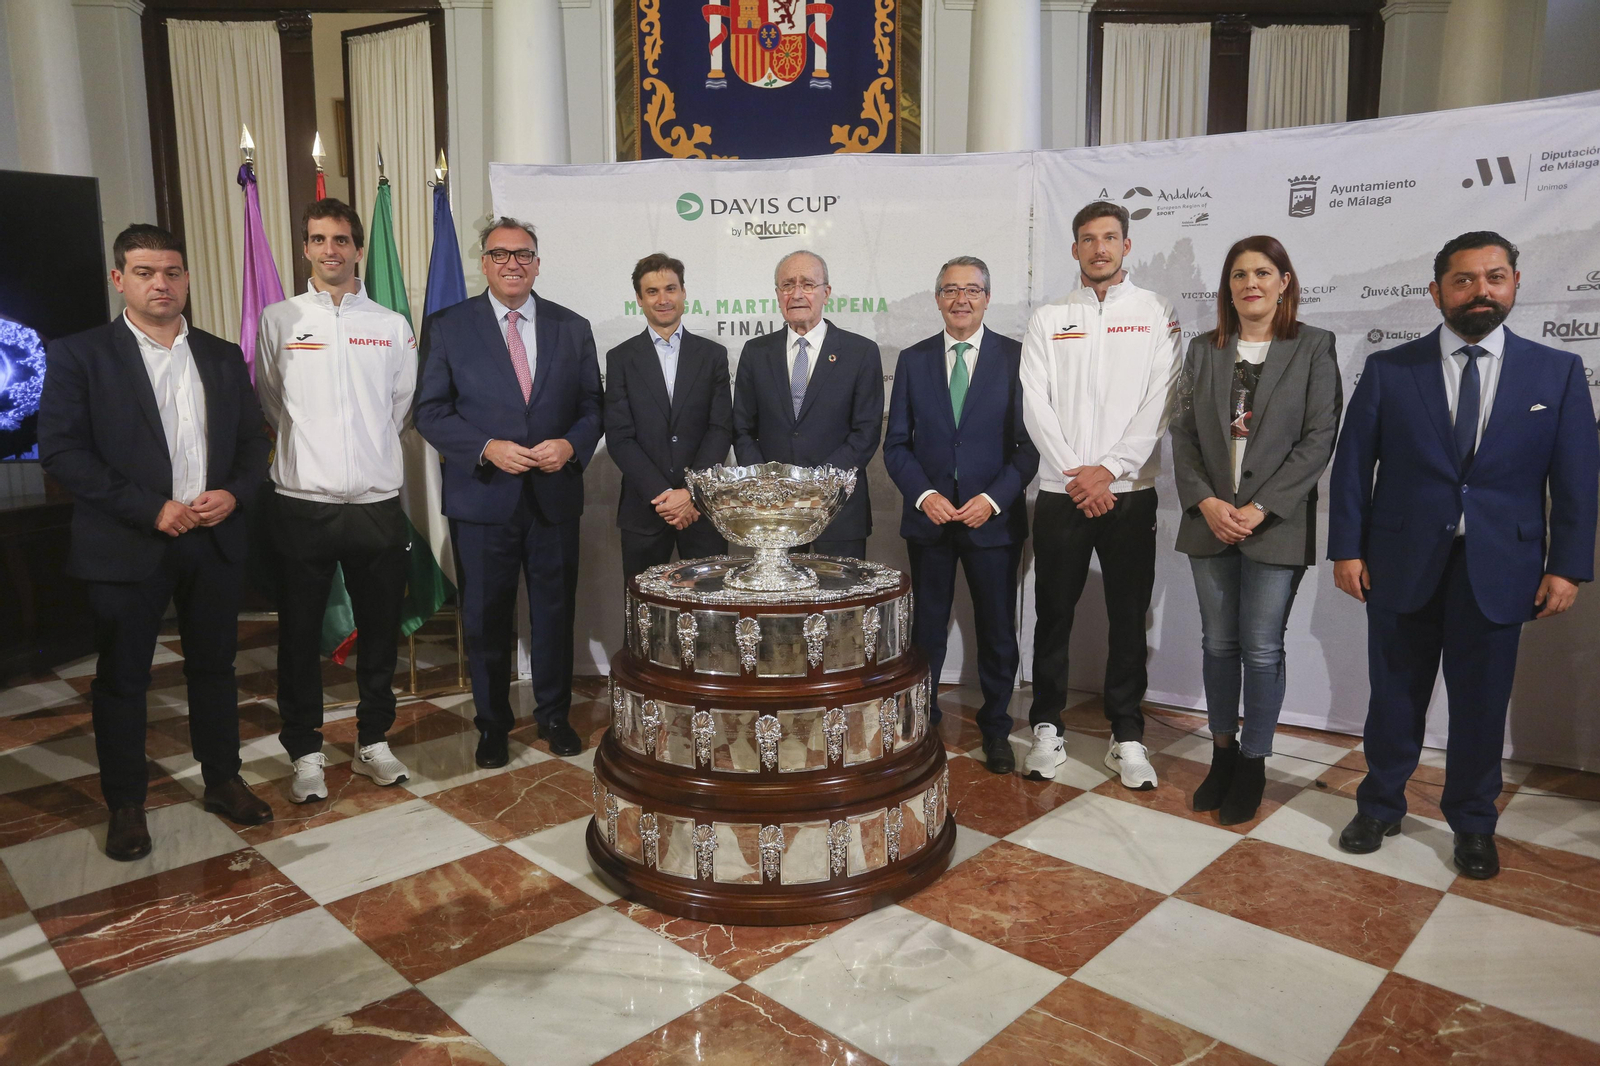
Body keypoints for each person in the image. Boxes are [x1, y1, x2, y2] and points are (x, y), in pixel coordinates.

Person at [1328, 231, 1597, 880]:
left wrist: (1568, 565)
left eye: (1493, 277)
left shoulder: (1554, 373)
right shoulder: (1393, 370)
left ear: (1514, 284)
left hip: (1503, 571)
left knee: (1481, 707)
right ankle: (1380, 805)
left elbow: (1578, 480)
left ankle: (1474, 823)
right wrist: (1345, 550)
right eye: (1464, 280)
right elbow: (1352, 467)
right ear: (1437, 292)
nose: (1480, 290)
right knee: (1393, 699)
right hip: (1399, 564)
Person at [38, 224, 273, 858]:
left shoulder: (223, 356)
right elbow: (62, 452)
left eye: (171, 272)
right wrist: (150, 508)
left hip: (213, 536)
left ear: (187, 279)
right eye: (144, 272)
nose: (160, 283)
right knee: (122, 679)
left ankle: (223, 780)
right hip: (126, 542)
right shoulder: (80, 355)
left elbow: (254, 443)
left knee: (215, 669)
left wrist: (237, 492)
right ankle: (126, 805)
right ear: (120, 279)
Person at [415, 217, 603, 768]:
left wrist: (571, 445)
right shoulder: (449, 325)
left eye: (523, 254)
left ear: (538, 263)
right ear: (484, 263)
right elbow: (429, 411)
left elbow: (594, 404)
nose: (513, 264)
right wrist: (484, 447)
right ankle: (492, 724)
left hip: (553, 497)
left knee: (554, 613)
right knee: (485, 617)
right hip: (482, 497)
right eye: (500, 254)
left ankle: (554, 716)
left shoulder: (572, 326)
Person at [1169, 235, 1342, 824]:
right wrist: (1208, 502)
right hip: (1211, 521)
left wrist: (1262, 506)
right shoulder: (1203, 350)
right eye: (1239, 274)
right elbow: (1184, 436)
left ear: (1284, 281)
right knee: (1219, 644)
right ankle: (1221, 754)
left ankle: (1254, 761)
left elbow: (1320, 438)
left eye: (1263, 273)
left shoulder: (1315, 347)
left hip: (1275, 524)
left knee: (1262, 648)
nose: (1251, 283)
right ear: (1228, 287)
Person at [255, 199, 417, 803]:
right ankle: (304, 751)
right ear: (305, 248)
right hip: (303, 504)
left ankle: (374, 739)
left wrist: (365, 459)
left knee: (380, 630)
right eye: (320, 239)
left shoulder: (391, 324)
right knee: (298, 634)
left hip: (376, 503)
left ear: (356, 249)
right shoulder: (278, 320)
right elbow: (272, 402)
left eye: (343, 240)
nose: (332, 250)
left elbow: (398, 408)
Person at [1019, 201, 1182, 790]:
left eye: (1110, 238)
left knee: (1126, 617)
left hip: (1129, 493)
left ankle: (1127, 735)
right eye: (1088, 240)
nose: (1099, 249)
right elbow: (1035, 403)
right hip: (1063, 492)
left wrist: (1109, 471)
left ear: (1126, 246)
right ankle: (1045, 726)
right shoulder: (1048, 317)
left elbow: (1161, 401)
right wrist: (1076, 473)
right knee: (1052, 614)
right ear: (1075, 249)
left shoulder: (1155, 311)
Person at [884, 257, 1038, 775]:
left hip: (991, 522)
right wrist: (924, 494)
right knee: (926, 630)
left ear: (988, 299)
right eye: (951, 290)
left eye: (972, 290)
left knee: (996, 631)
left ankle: (997, 729)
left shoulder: (1017, 358)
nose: (961, 299)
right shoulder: (913, 359)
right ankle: (921, 725)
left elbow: (1028, 448)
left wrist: (992, 500)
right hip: (930, 521)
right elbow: (896, 446)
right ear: (937, 299)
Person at [732, 250, 883, 559]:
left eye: (808, 284)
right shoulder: (756, 352)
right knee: (779, 606)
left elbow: (865, 432)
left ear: (826, 292)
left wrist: (816, 485)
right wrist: (770, 485)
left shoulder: (860, 352)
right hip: (773, 512)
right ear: (777, 294)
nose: (797, 294)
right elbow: (742, 429)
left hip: (838, 510)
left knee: (841, 602)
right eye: (788, 284)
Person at [605, 253, 732, 586]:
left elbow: (720, 429)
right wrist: (664, 494)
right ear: (639, 299)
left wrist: (690, 493)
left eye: (670, 289)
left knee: (710, 615)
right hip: (645, 510)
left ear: (683, 292)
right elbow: (619, 436)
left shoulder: (713, 355)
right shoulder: (620, 358)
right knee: (642, 615)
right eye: (652, 291)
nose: (663, 299)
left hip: (702, 511)